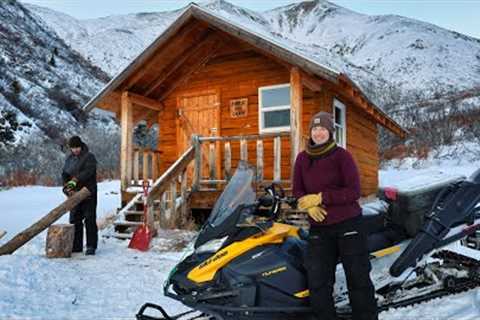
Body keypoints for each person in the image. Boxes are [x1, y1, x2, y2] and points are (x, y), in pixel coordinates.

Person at [292, 112, 378, 320]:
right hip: (319, 228)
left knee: (357, 278)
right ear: (310, 132)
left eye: (322, 129)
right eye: (314, 129)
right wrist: (307, 205)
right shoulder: (302, 159)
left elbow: (353, 191)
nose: (318, 133)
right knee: (318, 281)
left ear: (330, 132)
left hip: (348, 224)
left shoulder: (342, 156)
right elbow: (298, 190)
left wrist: (320, 198)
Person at [62, 136, 98, 255]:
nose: (75, 150)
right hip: (75, 194)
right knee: (74, 219)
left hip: (88, 192)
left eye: (77, 147)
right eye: (73, 148)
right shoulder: (69, 159)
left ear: (81, 146)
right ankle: (76, 246)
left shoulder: (89, 157)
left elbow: (88, 172)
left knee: (89, 219)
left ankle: (91, 246)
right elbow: (65, 174)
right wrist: (66, 186)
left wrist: (75, 180)